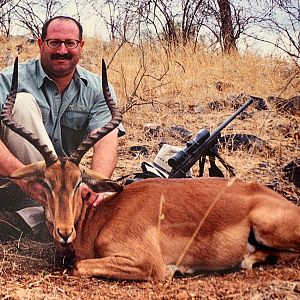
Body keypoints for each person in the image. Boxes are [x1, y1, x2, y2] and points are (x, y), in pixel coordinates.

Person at [0, 16, 125, 241]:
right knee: (21, 104)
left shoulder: (97, 88)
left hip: (61, 192)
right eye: (54, 43)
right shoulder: (9, 80)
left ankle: (27, 221)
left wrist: (95, 186)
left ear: (81, 46)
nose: (62, 50)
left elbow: (105, 140)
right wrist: (22, 178)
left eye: (70, 43)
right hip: (13, 179)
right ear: (40, 44)